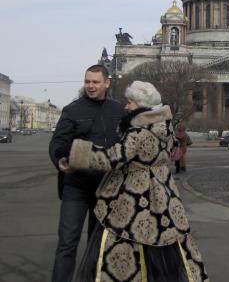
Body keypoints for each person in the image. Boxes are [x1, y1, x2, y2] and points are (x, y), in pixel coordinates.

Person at [68, 81, 209, 282]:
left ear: (142, 105)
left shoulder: (138, 131)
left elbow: (113, 158)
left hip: (132, 195)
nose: (126, 106)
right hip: (164, 194)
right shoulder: (166, 128)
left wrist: (77, 153)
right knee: (166, 242)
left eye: (130, 102)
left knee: (126, 240)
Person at [48, 64, 124, 282]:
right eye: (87, 81)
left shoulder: (118, 110)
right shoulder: (72, 110)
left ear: (107, 83)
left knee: (97, 244)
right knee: (67, 242)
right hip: (77, 186)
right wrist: (60, 158)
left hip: (107, 187)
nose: (90, 86)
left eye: (95, 82)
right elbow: (58, 143)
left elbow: (126, 145)